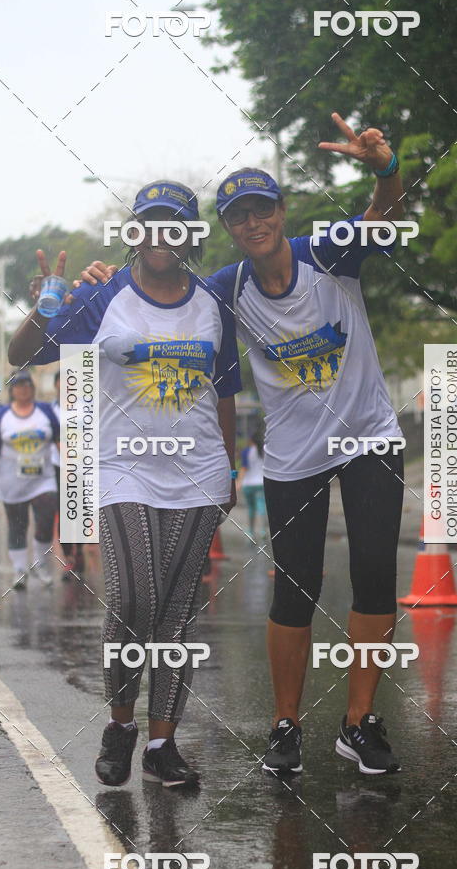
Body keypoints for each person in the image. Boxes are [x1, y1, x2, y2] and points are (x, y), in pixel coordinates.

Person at [79, 115, 406, 777]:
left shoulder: (328, 253)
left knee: (374, 575)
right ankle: (285, 725)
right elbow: (161, 286)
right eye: (239, 216)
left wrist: (383, 168)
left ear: (282, 213)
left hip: (368, 437)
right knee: (296, 588)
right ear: (228, 227)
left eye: (263, 211)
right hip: (292, 454)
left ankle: (357, 724)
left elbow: (385, 217)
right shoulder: (226, 287)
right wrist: (112, 269)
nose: (253, 224)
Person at [7, 181, 240, 788]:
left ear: (190, 234)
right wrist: (49, 304)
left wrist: (231, 468)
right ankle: (121, 725)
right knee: (135, 599)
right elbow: (20, 354)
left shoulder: (214, 301)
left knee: (176, 614)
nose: (160, 236)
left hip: (198, 474)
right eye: (148, 224)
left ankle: (163, 742)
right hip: (121, 469)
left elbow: (227, 394)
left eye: (173, 225)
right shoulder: (102, 294)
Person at [0, 370, 59, 590]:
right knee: (17, 525)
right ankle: (20, 570)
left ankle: (40, 564)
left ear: (32, 388)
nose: (23, 389)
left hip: (43, 479)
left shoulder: (45, 411)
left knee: (45, 520)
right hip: (11, 480)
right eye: (18, 385)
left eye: (26, 385)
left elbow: (59, 439)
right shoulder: (3, 415)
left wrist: (73, 463)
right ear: (12, 390)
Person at [51, 369, 85, 580]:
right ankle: (68, 557)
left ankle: (79, 551)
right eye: (61, 382)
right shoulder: (52, 410)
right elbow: (55, 437)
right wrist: (68, 462)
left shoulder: (87, 406)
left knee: (80, 511)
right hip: (61, 467)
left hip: (85, 465)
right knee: (65, 511)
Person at [238, 427, 266, 540]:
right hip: (261, 483)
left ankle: (250, 531)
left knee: (251, 508)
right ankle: (263, 530)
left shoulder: (246, 452)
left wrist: (238, 482)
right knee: (261, 506)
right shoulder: (264, 451)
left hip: (248, 484)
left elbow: (244, 468)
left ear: (251, 440)